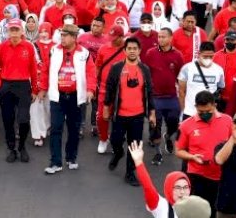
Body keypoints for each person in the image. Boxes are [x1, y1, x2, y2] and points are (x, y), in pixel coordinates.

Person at [39, 24, 96, 174]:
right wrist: (43, 88)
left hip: (76, 97)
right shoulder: (54, 50)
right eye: (61, 35)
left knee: (74, 129)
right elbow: (45, 69)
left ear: (74, 37)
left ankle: (71, 158)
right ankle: (55, 162)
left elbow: (91, 72)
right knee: (56, 128)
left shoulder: (84, 53)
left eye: (65, 35)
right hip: (57, 96)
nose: (62, 38)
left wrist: (90, 90)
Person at [104, 37, 155, 186]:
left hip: (138, 116)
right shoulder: (116, 68)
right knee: (115, 141)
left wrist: (151, 112)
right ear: (125, 50)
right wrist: (106, 108)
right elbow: (109, 89)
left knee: (134, 146)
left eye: (135, 49)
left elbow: (150, 92)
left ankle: (130, 173)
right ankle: (118, 153)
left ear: (139, 51)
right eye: (129, 48)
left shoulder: (144, 69)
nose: (132, 51)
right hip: (119, 115)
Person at [175, 91, 233, 217]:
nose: (205, 114)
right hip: (197, 176)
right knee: (197, 211)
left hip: (220, 176)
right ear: (196, 107)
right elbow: (179, 151)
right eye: (201, 112)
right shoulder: (186, 125)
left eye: (208, 111)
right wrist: (191, 157)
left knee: (214, 210)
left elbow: (233, 143)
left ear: (214, 105)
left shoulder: (227, 121)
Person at [0, 19, 39, 164]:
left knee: (24, 119)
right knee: (8, 119)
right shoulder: (2, 47)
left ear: (21, 31)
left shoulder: (29, 47)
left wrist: (35, 89)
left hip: (23, 85)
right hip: (6, 85)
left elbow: (33, 69)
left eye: (16, 30)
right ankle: (11, 148)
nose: (14, 33)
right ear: (7, 31)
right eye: (11, 30)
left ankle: (22, 146)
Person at [143, 28, 183, 165]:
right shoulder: (150, 53)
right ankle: (157, 152)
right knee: (155, 126)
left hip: (172, 97)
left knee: (173, 122)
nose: (160, 39)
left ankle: (168, 136)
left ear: (171, 38)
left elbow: (180, 76)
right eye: (159, 37)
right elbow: (145, 74)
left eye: (163, 37)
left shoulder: (178, 55)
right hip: (155, 97)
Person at [128, 140, 192, 218]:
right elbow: (148, 187)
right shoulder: (161, 206)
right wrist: (138, 162)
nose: (182, 192)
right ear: (169, 189)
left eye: (185, 187)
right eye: (178, 187)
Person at [95, 25, 126, 153]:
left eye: (115, 38)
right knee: (102, 116)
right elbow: (98, 66)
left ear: (121, 37)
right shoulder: (103, 48)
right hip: (104, 87)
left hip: (123, 89)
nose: (112, 40)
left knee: (120, 117)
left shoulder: (127, 49)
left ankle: (116, 140)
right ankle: (103, 138)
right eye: (111, 37)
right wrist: (96, 82)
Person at [178, 42, 225, 120]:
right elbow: (181, 92)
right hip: (190, 112)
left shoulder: (219, 70)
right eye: (205, 56)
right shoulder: (187, 68)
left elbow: (220, 87)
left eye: (211, 56)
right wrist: (183, 110)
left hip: (209, 113)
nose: (208, 59)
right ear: (199, 54)